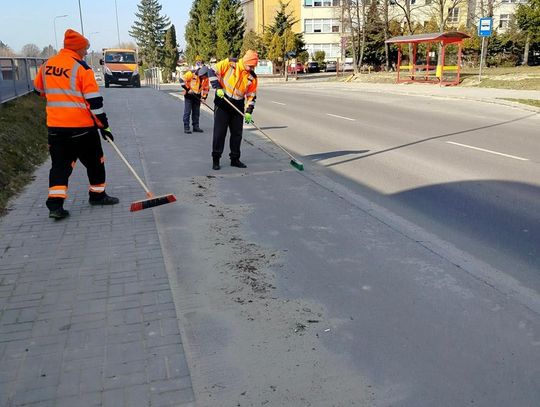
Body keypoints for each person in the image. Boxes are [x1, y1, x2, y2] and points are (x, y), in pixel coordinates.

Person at [33, 29, 119, 220]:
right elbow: (94, 102)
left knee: (59, 167)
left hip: (56, 129)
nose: (86, 52)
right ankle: (97, 196)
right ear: (77, 48)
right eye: (85, 48)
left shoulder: (47, 65)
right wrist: (104, 126)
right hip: (82, 129)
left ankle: (55, 206)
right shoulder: (81, 68)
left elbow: (38, 90)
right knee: (95, 162)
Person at [209, 49, 259, 170]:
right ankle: (216, 159)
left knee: (237, 134)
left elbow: (251, 95)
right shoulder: (230, 63)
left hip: (238, 105)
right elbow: (211, 71)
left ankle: (235, 159)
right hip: (223, 102)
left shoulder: (252, 77)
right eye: (251, 66)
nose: (252, 68)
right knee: (219, 133)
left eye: (254, 66)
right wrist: (217, 87)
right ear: (245, 61)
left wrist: (248, 111)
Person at [180, 65, 210, 134]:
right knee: (187, 112)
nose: (205, 78)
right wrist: (188, 89)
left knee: (196, 113)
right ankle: (186, 127)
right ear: (202, 74)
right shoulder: (191, 73)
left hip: (197, 96)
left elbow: (206, 88)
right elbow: (181, 80)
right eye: (204, 76)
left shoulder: (206, 78)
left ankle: (196, 127)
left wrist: (204, 98)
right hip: (189, 95)